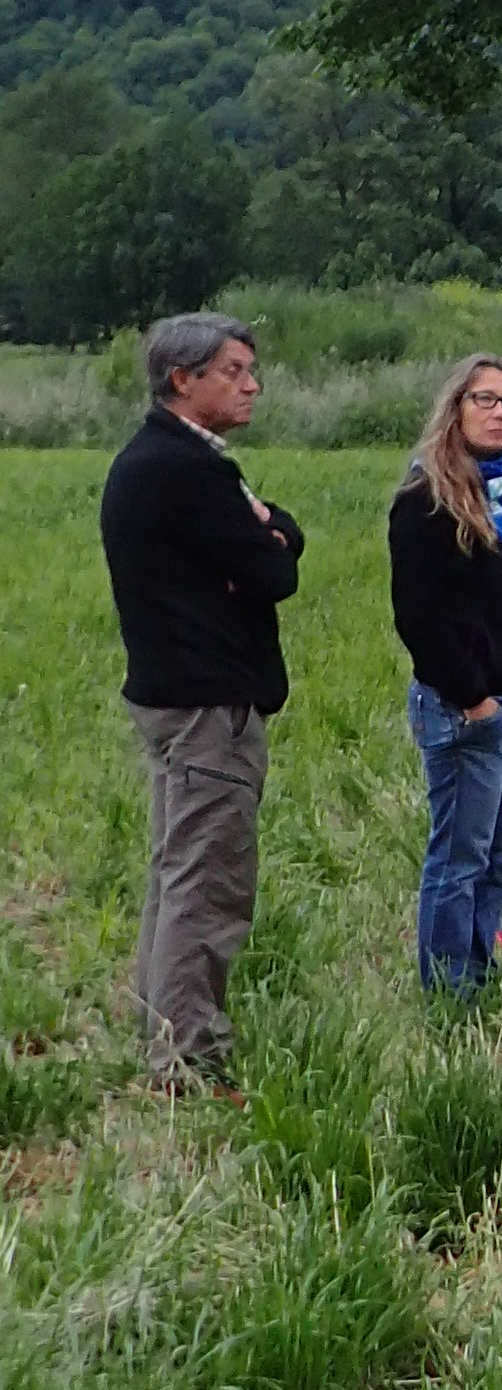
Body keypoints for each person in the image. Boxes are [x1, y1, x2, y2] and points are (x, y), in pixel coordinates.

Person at [99, 313, 305, 1088]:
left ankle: (158, 1014)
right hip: (206, 701)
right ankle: (187, 1054)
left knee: (175, 863)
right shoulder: (187, 471)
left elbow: (273, 543)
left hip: (174, 692)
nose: (252, 385)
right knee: (207, 877)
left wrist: (271, 531)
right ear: (183, 379)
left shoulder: (160, 460)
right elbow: (274, 572)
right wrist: (266, 543)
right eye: (235, 370)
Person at [389, 353, 502, 994]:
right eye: (483, 399)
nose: (497, 413)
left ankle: (480, 968)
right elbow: (418, 616)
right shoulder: (427, 498)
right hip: (466, 703)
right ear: (455, 408)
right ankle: (447, 985)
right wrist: (472, 696)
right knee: (461, 853)